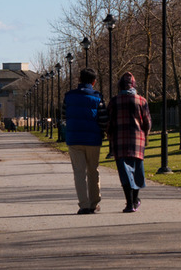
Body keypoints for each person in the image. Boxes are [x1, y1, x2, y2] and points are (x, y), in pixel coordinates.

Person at [62, 68, 107, 214]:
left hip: (74, 139)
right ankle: (94, 203)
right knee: (93, 171)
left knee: (79, 173)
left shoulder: (69, 96)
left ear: (79, 80)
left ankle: (84, 204)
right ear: (94, 82)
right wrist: (102, 132)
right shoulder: (98, 97)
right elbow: (103, 119)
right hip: (93, 139)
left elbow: (64, 116)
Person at [107, 72, 151, 213]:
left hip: (119, 140)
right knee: (137, 171)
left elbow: (109, 121)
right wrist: (145, 134)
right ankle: (135, 199)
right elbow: (147, 122)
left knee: (124, 173)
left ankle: (129, 203)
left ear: (120, 85)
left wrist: (109, 135)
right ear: (133, 85)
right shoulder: (141, 101)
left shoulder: (114, 101)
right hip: (137, 141)